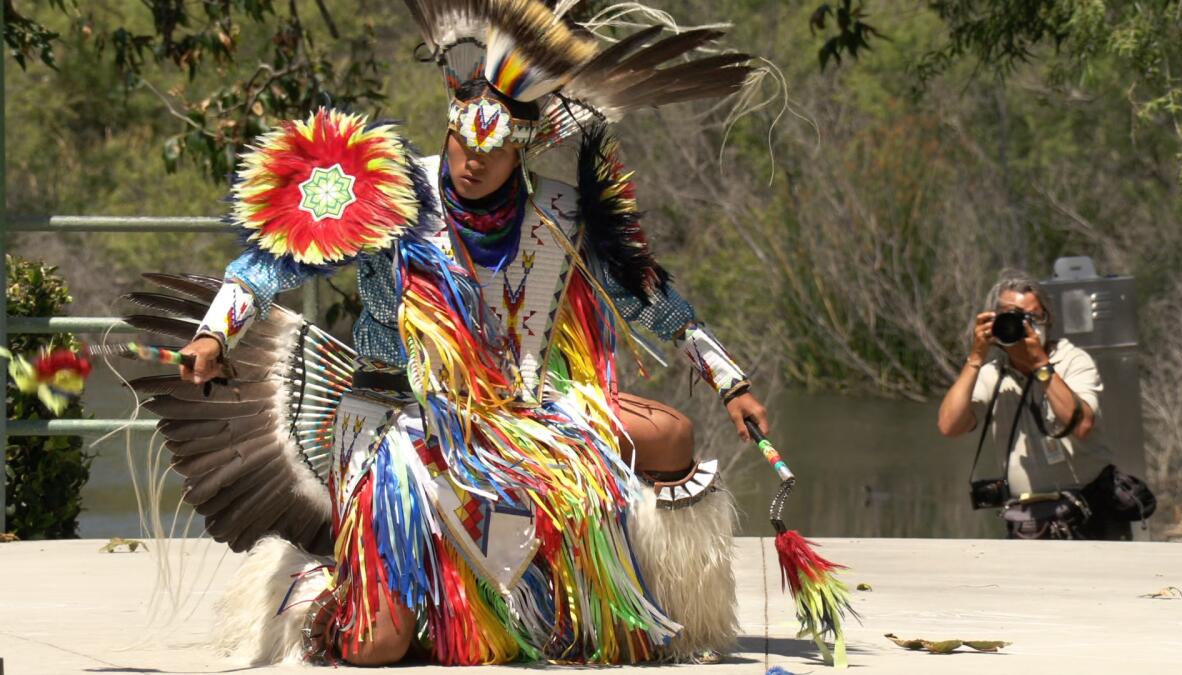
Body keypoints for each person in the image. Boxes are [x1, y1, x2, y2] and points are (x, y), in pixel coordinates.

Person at [141, 0, 774, 667]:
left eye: (492, 151)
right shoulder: (388, 193)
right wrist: (217, 333)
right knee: (376, 646)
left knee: (668, 432)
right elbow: (274, 256)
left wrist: (730, 380)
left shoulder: (556, 219)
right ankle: (326, 581)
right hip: (396, 432)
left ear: (522, 149)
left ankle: (648, 606)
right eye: (462, 143)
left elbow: (647, 294)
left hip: (515, 418)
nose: (471, 162)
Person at [937, 269, 1129, 540]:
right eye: (1012, 316)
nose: (1023, 325)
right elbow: (949, 426)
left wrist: (1040, 365)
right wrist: (976, 357)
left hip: (1089, 511)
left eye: (1032, 317)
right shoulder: (992, 373)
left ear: (1047, 320)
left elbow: (1082, 424)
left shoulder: (1073, 360)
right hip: (1026, 518)